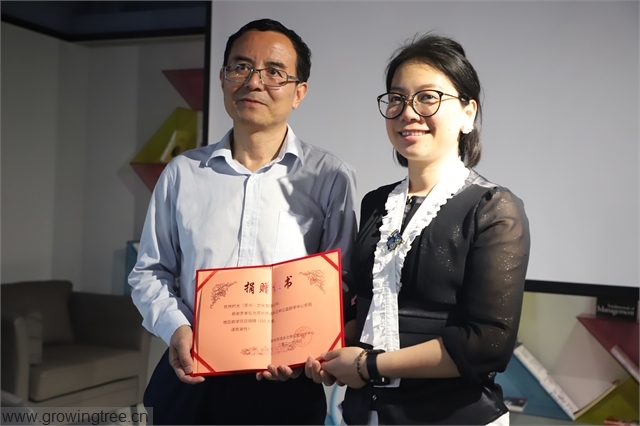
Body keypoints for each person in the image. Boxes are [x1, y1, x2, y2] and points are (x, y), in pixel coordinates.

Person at [129, 18, 357, 425]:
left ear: (299, 92)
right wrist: (177, 328)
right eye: (241, 67)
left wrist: (307, 343)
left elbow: (340, 280)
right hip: (192, 377)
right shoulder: (183, 173)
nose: (254, 82)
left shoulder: (329, 177)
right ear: (223, 79)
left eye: (274, 72)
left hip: (286, 386)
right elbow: (150, 271)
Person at [305, 34, 530, 425]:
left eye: (428, 97)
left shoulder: (493, 208)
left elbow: (488, 343)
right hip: (366, 413)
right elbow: (367, 308)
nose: (408, 112)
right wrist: (325, 351)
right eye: (396, 98)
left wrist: (368, 366)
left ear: (468, 113)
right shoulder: (376, 203)